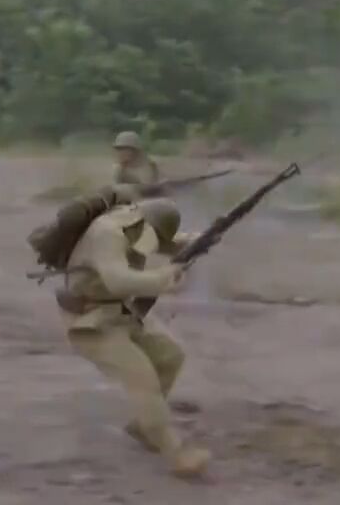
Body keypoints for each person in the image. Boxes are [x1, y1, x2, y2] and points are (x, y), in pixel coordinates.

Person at [57, 197, 210, 477]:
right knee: (143, 380)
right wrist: (161, 279)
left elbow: (167, 242)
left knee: (169, 356)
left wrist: (199, 240)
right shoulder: (108, 234)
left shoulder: (137, 224)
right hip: (89, 320)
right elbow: (117, 279)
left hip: (120, 311)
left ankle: (144, 426)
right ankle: (176, 453)